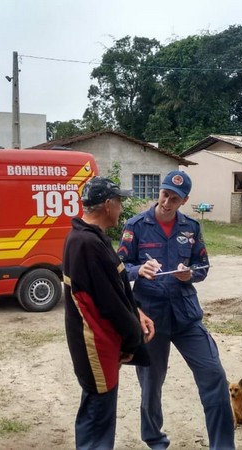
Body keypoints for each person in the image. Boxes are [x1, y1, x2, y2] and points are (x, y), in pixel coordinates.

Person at [117, 170, 234, 450]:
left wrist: (189, 274)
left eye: (174, 198)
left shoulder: (191, 228)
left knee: (214, 374)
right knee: (151, 385)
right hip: (150, 316)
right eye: (164, 194)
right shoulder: (136, 225)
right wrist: (138, 270)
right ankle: (155, 440)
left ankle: (222, 445)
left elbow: (203, 266)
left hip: (185, 315)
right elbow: (118, 267)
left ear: (185, 201)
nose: (167, 202)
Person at [63, 176, 155, 450]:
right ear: (107, 204)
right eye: (119, 202)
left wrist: (136, 312)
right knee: (97, 420)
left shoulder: (87, 238)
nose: (121, 208)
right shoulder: (87, 244)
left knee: (96, 413)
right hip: (97, 346)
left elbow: (114, 289)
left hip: (101, 344)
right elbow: (110, 304)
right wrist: (133, 341)